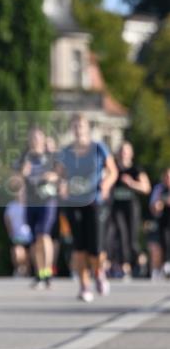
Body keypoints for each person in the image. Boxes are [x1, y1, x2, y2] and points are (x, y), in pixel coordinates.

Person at [57, 113, 117, 302]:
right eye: (74, 126)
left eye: (81, 126)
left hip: (95, 201)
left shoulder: (99, 148)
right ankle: (84, 286)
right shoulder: (66, 151)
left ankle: (99, 273)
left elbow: (113, 171)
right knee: (79, 247)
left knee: (96, 248)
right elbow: (60, 174)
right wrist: (62, 185)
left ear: (87, 128)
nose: (78, 130)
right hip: (74, 202)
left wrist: (106, 185)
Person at [18, 125, 59, 288]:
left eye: (37, 138)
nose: (35, 142)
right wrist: (23, 172)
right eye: (32, 139)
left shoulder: (50, 156)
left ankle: (47, 271)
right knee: (35, 240)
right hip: (31, 201)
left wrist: (51, 176)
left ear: (43, 140)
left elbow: (60, 173)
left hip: (47, 200)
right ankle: (39, 272)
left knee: (43, 234)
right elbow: (18, 179)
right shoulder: (25, 158)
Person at [108, 141, 150, 279]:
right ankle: (124, 267)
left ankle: (141, 260)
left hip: (131, 208)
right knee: (119, 236)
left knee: (132, 240)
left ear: (131, 153)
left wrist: (131, 183)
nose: (123, 153)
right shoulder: (113, 170)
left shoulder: (136, 169)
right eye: (121, 150)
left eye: (126, 151)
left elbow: (146, 188)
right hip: (116, 207)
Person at [3, 178, 32, 278]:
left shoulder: (29, 205)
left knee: (27, 257)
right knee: (17, 252)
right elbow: (7, 220)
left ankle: (26, 272)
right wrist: (11, 232)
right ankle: (19, 269)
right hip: (17, 235)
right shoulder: (11, 206)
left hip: (29, 235)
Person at [149, 167, 170, 280]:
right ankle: (163, 265)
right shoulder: (159, 188)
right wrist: (159, 205)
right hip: (163, 221)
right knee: (162, 242)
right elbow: (153, 206)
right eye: (166, 177)